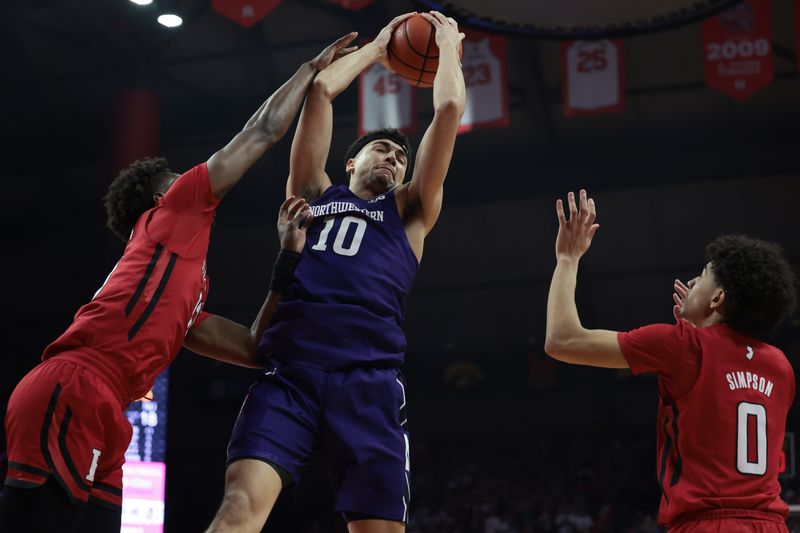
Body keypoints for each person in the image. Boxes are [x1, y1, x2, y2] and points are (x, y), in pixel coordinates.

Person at [0, 33, 355, 533]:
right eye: (176, 175)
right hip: (74, 386)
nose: (190, 176)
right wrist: (308, 70)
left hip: (106, 410)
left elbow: (255, 348)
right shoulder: (172, 212)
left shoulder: (182, 283)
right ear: (159, 196)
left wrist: (287, 259)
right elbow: (262, 131)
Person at [206, 11, 466, 533]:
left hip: (368, 381)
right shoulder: (312, 194)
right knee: (238, 507)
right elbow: (322, 91)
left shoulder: (410, 212)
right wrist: (379, 47)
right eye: (382, 149)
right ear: (351, 162)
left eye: (401, 156)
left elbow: (451, 107)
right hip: (291, 373)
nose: (394, 158)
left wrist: (445, 46)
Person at [544, 189, 797, 532]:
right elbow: (722, 388)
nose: (691, 282)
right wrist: (699, 325)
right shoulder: (780, 366)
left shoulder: (682, 345)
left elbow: (563, 339)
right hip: (771, 525)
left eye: (703, 275)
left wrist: (567, 259)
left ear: (718, 298)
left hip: (706, 526)